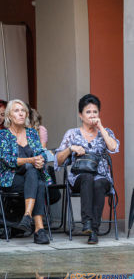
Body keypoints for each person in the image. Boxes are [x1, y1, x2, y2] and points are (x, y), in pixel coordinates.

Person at [55, 94, 119, 244]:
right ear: (80, 115)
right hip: (80, 177)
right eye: (88, 112)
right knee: (87, 178)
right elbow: (58, 159)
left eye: (95, 112)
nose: (92, 115)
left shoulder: (106, 132)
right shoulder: (72, 133)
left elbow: (113, 147)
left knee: (98, 183)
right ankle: (88, 223)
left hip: (102, 176)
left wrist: (101, 127)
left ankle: (92, 229)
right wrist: (71, 148)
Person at [0, 99, 52, 244]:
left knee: (35, 176)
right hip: (12, 178)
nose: (21, 114)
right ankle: (39, 229)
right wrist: (32, 160)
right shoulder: (3, 135)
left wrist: (41, 159)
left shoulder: (32, 133)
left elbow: (42, 153)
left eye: (23, 111)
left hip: (31, 177)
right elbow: (8, 160)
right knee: (38, 183)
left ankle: (28, 217)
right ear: (9, 116)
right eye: (16, 111)